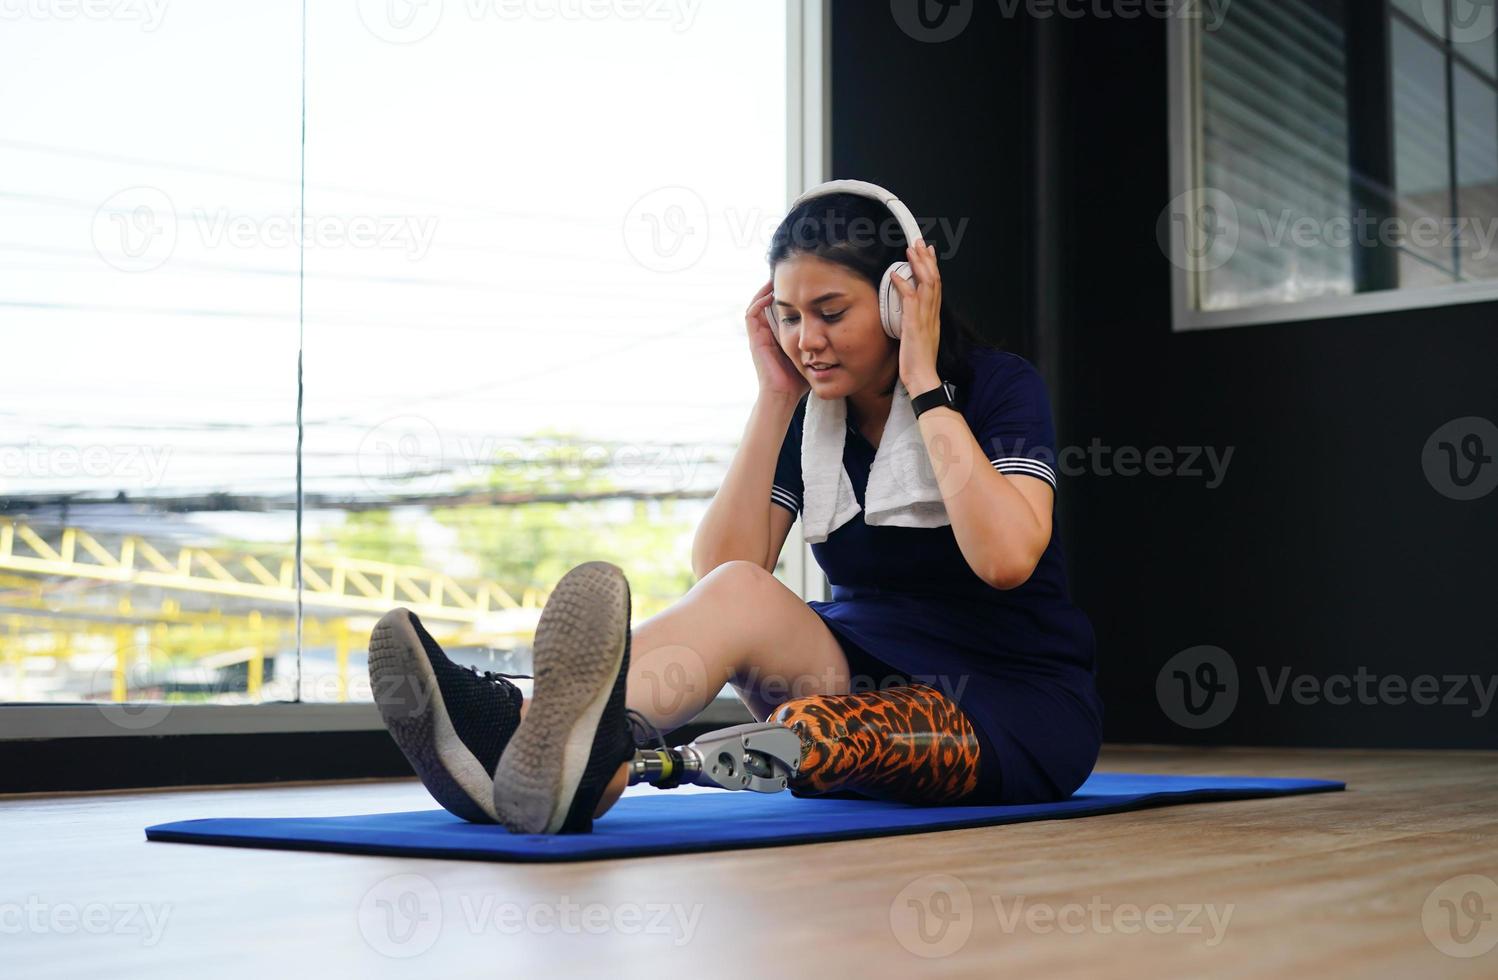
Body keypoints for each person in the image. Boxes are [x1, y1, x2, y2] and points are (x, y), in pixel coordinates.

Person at [367, 186, 1103, 834]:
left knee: (820, 733)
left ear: (896, 300)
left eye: (830, 312)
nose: (805, 341)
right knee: (741, 591)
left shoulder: (995, 388)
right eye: (786, 316)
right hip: (859, 662)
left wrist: (922, 381)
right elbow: (722, 576)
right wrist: (776, 398)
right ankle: (528, 736)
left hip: (1012, 703)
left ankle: (579, 766)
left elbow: (1005, 560)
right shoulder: (816, 415)